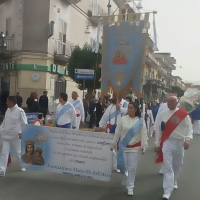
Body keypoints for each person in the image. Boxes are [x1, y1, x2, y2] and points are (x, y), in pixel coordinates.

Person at [154, 96, 192, 200]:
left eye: (172, 101)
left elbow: (189, 129)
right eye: (168, 101)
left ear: (177, 102)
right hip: (167, 143)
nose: (169, 103)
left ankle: (174, 181)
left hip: (179, 143)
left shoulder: (183, 114)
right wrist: (157, 144)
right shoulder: (163, 114)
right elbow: (158, 130)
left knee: (177, 165)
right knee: (167, 166)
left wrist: (187, 139)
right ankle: (167, 190)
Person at [110, 102, 148, 196]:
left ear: (135, 109)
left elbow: (144, 135)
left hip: (135, 147)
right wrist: (113, 144)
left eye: (131, 108)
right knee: (123, 166)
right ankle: (125, 177)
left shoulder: (140, 121)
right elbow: (117, 133)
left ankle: (130, 186)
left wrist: (144, 146)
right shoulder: (122, 119)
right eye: (128, 108)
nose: (129, 109)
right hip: (123, 147)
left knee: (132, 168)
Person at [99, 94, 128, 172]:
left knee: (119, 149)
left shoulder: (125, 104)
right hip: (111, 129)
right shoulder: (111, 106)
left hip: (120, 129)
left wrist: (120, 108)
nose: (113, 98)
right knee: (110, 148)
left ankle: (120, 165)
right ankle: (113, 165)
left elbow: (127, 112)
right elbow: (105, 116)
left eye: (114, 96)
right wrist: (101, 125)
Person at [0, 96, 28, 176]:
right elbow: (4, 122)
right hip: (6, 136)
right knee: (4, 153)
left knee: (18, 153)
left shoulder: (20, 111)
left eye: (7, 101)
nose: (6, 103)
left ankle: (23, 165)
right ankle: (2, 170)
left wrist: (21, 132)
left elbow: (24, 123)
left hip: (15, 136)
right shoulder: (7, 110)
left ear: (11, 102)